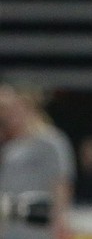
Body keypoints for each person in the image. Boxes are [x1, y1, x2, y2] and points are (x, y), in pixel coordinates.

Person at [0, 81, 75, 239]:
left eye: (13, 109)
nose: (7, 115)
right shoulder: (10, 145)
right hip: (12, 226)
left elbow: (61, 183)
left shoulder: (51, 141)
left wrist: (59, 222)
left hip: (38, 225)